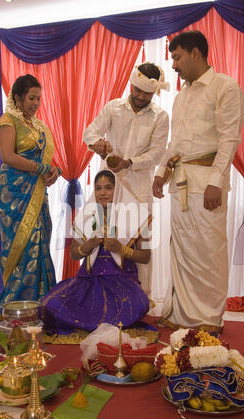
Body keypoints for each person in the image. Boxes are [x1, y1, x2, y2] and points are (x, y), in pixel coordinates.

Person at [153, 31, 244, 334]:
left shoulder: (225, 87)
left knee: (208, 251)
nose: (174, 65)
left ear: (195, 53)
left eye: (177, 57)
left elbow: (230, 138)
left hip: (207, 182)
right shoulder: (182, 95)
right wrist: (160, 172)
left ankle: (208, 318)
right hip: (180, 183)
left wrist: (216, 182)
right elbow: (175, 143)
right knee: (182, 250)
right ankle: (181, 314)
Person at [40, 170, 157, 344]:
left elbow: (146, 256)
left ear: (117, 190)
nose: (103, 193)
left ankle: (92, 323)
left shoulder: (137, 215)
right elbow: (73, 253)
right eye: (98, 188)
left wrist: (121, 249)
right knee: (49, 305)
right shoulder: (86, 216)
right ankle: (101, 323)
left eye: (108, 188)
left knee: (139, 304)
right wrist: (89, 245)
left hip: (122, 281)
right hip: (89, 281)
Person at [83, 62, 169, 297]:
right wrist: (97, 144)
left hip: (139, 188)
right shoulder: (113, 107)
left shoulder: (160, 116)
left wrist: (129, 163)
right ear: (131, 84)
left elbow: (158, 152)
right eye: (138, 90)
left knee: (139, 244)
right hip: (108, 188)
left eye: (147, 93)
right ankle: (102, 296)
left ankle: (143, 299)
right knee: (102, 239)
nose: (141, 97)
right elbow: (89, 132)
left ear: (155, 92)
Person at [0, 74, 61, 320]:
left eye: (39, 98)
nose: (36, 103)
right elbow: (8, 157)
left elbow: (43, 160)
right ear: (18, 97)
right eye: (31, 98)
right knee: (25, 245)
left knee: (41, 241)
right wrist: (39, 168)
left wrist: (53, 170)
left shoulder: (39, 126)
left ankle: (42, 300)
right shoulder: (7, 121)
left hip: (36, 192)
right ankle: (16, 303)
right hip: (14, 194)